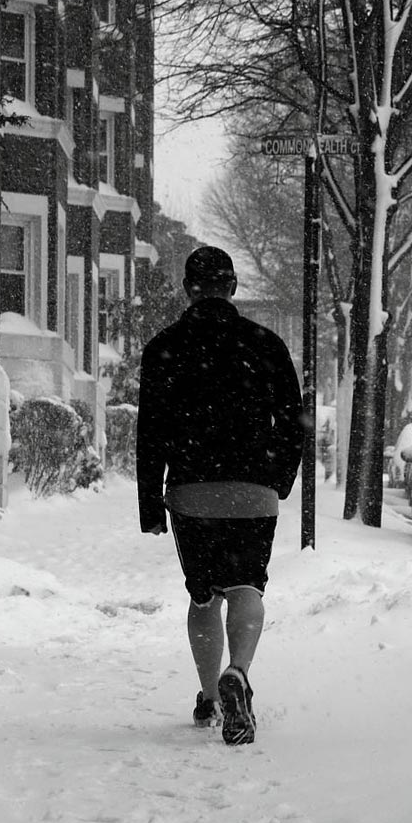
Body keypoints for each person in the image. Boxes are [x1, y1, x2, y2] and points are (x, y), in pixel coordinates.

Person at [136, 246, 304, 746]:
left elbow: (151, 433)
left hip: (192, 490)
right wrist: (277, 478)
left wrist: (151, 503)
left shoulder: (164, 348)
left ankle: (210, 696)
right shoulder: (266, 344)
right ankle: (239, 672)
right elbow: (294, 422)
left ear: (189, 289)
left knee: (204, 593)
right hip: (254, 491)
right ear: (232, 287)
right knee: (248, 587)